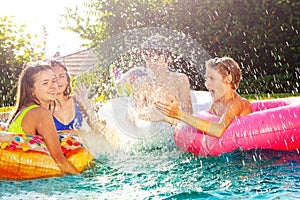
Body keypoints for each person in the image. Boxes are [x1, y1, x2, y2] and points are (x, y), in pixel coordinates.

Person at [7, 63, 79, 174]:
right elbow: (59, 160)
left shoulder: (24, 111)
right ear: (32, 90)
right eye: (45, 83)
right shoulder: (40, 113)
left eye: (53, 81)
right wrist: (86, 182)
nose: (53, 86)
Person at [155, 56, 252, 138]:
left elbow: (218, 130)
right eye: (206, 78)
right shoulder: (217, 103)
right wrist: (166, 117)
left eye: (212, 79)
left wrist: (179, 114)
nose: (206, 84)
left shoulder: (237, 103)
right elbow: (200, 126)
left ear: (228, 79)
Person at [129, 34, 193, 126]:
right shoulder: (140, 83)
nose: (152, 61)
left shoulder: (179, 79)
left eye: (157, 57)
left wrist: (165, 118)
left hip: (172, 128)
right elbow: (136, 117)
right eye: (148, 56)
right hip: (149, 131)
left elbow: (188, 115)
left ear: (168, 58)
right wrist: (148, 114)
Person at [49, 61, 83, 133]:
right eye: (54, 78)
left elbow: (97, 129)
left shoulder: (79, 101)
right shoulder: (45, 107)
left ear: (67, 79)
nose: (59, 81)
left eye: (62, 76)